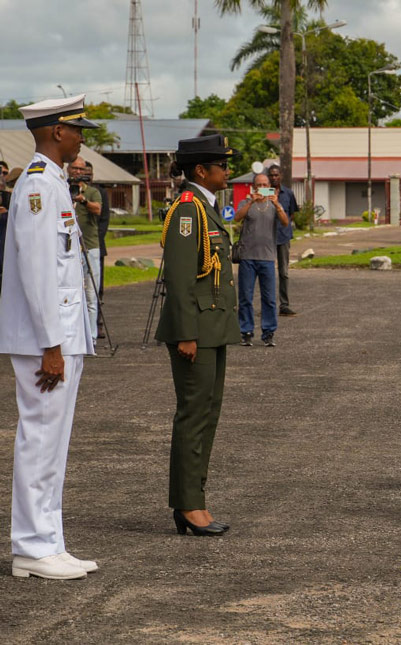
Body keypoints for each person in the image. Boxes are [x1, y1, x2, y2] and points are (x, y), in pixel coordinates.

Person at [0, 95, 99, 579]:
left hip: (60, 335)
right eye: (78, 130)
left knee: (53, 443)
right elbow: (38, 271)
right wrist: (51, 344)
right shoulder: (38, 187)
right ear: (57, 132)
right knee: (40, 438)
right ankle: (31, 546)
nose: (83, 138)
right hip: (47, 340)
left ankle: (49, 541)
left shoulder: (54, 182)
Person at [156, 134, 242, 537]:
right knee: (193, 416)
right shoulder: (189, 210)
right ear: (200, 171)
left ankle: (196, 499)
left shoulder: (207, 209)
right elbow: (178, 277)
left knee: (208, 414)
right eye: (221, 165)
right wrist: (187, 334)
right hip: (195, 332)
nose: (227, 171)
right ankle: (188, 504)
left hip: (212, 328)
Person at [235, 173, 288, 347]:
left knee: (269, 299)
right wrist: (251, 200)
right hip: (247, 257)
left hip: (267, 257)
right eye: (259, 184)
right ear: (254, 186)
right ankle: (246, 331)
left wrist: (277, 204)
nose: (262, 187)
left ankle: (268, 332)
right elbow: (236, 217)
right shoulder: (246, 203)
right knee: (245, 297)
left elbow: (285, 222)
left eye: (265, 184)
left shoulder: (273, 205)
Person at [67, 157, 102, 344]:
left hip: (90, 247)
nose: (78, 172)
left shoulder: (92, 192)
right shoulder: (62, 189)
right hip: (69, 248)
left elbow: (97, 210)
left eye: (81, 168)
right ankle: (74, 336)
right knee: (72, 293)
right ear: (68, 169)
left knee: (91, 294)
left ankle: (92, 337)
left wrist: (82, 200)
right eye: (75, 168)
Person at [267, 164, 299, 317]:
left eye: (276, 175)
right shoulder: (264, 193)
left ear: (280, 176)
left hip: (283, 237)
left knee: (284, 272)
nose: (274, 178)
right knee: (266, 272)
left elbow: (292, 214)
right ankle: (268, 305)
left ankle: (284, 305)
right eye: (271, 175)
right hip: (266, 238)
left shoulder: (289, 193)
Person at [88, 161, 111, 339]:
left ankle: (98, 323)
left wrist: (98, 238)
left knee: (97, 288)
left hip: (96, 245)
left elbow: (104, 220)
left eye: (88, 172)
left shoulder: (99, 193)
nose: (85, 175)